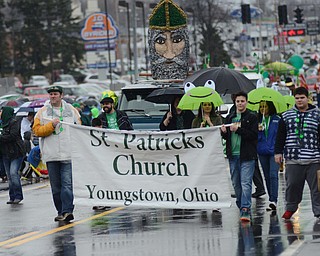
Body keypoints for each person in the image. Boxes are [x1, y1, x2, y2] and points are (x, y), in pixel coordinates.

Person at [33, 85, 81, 222]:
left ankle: (68, 211)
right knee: (56, 187)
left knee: (67, 184)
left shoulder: (71, 111)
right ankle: (60, 211)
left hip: (68, 154)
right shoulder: (42, 112)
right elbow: (37, 131)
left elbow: (79, 129)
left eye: (55, 94)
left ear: (61, 95)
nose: (53, 96)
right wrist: (51, 126)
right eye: (51, 94)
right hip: (51, 154)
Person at [275, 87, 320, 220]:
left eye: (302, 98)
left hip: (314, 159)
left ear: (308, 98)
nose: (299, 100)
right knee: (292, 185)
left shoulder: (317, 115)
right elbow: (280, 136)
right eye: (297, 98)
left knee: (317, 188)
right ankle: (290, 208)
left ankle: (318, 211)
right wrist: (278, 152)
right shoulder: (286, 116)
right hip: (293, 159)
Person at [220, 91, 258, 222]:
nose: (240, 103)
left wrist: (239, 130)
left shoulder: (252, 117)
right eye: (238, 101)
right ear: (235, 102)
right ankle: (241, 204)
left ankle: (245, 208)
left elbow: (253, 135)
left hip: (247, 155)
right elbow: (227, 137)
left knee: (246, 183)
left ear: (246, 102)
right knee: (236, 184)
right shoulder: (230, 117)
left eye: (242, 101)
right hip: (233, 155)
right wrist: (224, 133)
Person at [257, 101, 280, 211]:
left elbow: (281, 135)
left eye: (265, 106)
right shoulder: (258, 120)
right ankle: (271, 199)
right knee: (266, 176)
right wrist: (259, 131)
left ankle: (274, 199)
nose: (263, 109)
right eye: (261, 107)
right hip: (262, 151)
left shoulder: (277, 119)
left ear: (270, 107)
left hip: (274, 151)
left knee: (273, 174)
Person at [0, 106, 25, 204]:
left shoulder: (14, 122)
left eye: (2, 111)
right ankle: (12, 197)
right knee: (9, 176)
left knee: (13, 173)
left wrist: (1, 137)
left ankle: (18, 195)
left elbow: (12, 136)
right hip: (5, 153)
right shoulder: (2, 124)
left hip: (16, 152)